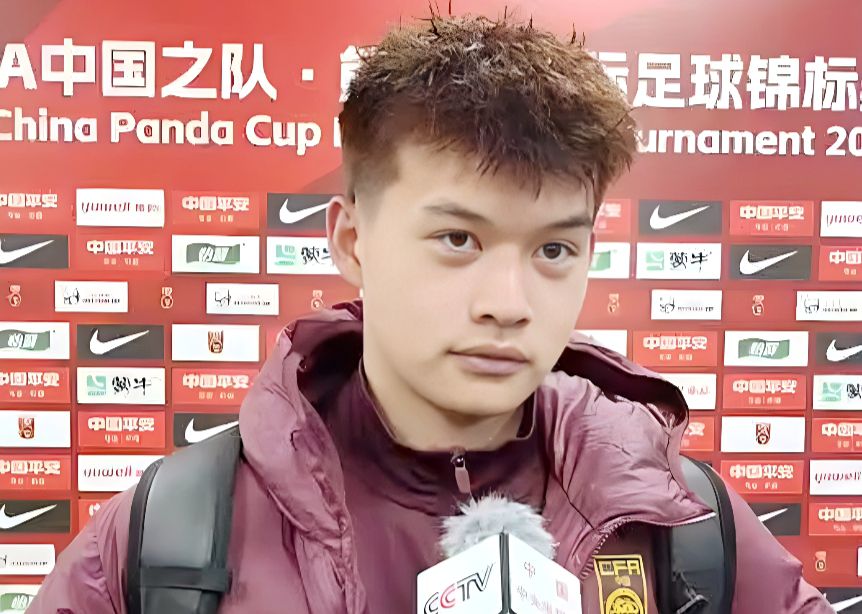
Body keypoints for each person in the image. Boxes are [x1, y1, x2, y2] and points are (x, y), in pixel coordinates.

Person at [29, 14, 831, 614]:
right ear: (352, 241)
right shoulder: (171, 534)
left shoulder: (685, 526)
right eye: (458, 239)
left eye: (555, 249)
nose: (508, 305)